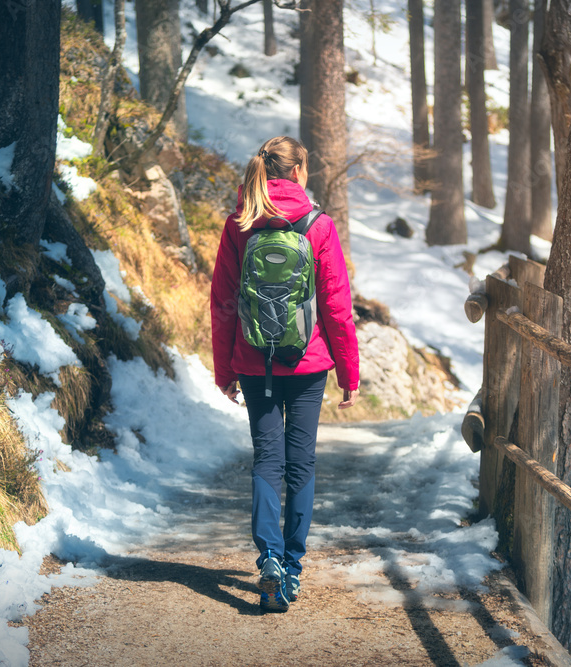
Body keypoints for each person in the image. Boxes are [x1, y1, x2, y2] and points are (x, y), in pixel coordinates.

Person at [210, 136, 360, 613]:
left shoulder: (240, 224)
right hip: (308, 362)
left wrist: (225, 369)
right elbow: (336, 307)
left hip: (255, 361)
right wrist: (349, 373)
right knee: (301, 464)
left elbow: (223, 303)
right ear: (298, 173)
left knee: (266, 461)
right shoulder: (319, 224)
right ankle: (292, 567)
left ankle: (269, 555)